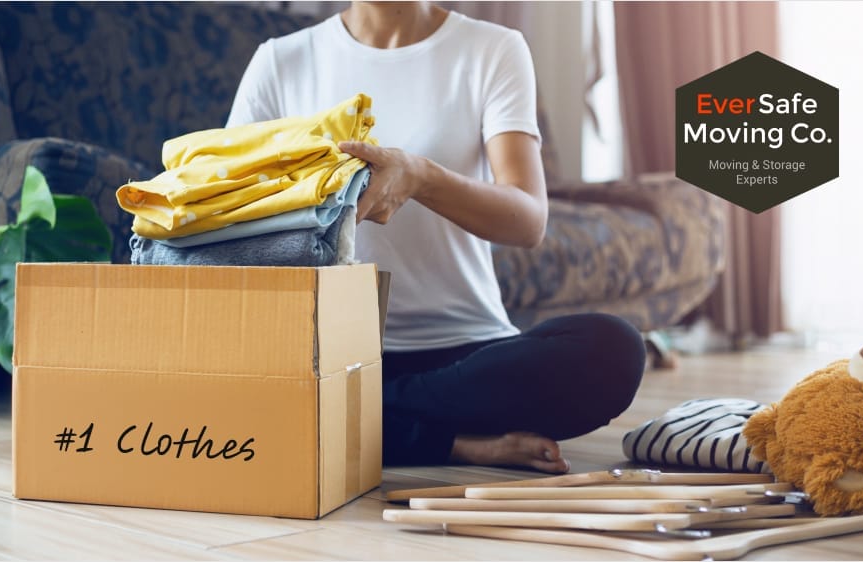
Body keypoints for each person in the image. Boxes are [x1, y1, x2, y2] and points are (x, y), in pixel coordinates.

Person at [226, 1, 645, 473]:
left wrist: (421, 177)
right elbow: (227, 213)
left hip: (468, 357)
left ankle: (359, 416)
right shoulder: (280, 61)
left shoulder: (493, 48)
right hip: (333, 349)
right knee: (236, 378)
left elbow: (527, 221)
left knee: (613, 350)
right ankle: (451, 442)